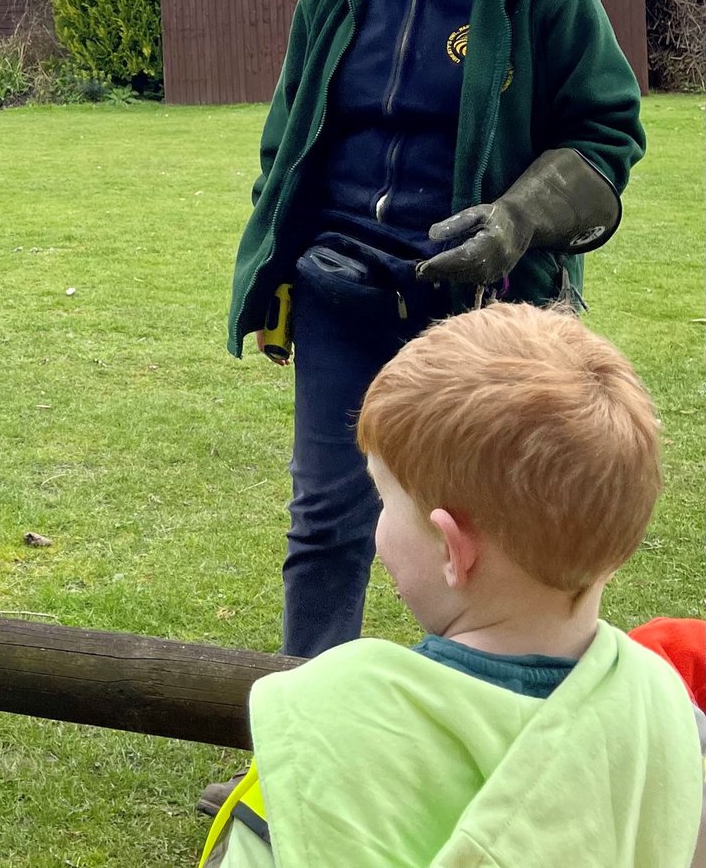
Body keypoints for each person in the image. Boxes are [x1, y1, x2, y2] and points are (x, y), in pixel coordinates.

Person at [225, 0, 645, 666]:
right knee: (325, 527)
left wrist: (517, 219)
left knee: (483, 541)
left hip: (479, 317)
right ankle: (307, 752)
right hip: (341, 293)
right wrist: (276, 271)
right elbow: (286, 143)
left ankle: (470, 731)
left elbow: (608, 139)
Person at [199, 303, 704, 867]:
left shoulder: (320, 732)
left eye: (384, 500)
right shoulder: (674, 717)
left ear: (452, 548)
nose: (378, 524)